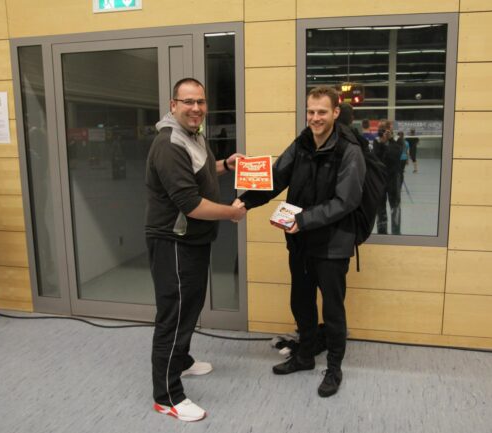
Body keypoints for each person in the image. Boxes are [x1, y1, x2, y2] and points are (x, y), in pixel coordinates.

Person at [235, 86, 365, 398]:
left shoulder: (349, 151)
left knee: (332, 309)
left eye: (322, 112)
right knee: (301, 301)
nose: (315, 118)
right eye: (311, 111)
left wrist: (303, 220)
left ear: (335, 113)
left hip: (333, 244)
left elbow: (346, 201)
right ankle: (305, 355)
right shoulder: (302, 143)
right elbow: (277, 176)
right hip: (301, 241)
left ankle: (334, 368)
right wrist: (245, 202)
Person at [145, 77, 246, 422]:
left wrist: (226, 165)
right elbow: (190, 203)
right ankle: (167, 396)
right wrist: (231, 213)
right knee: (174, 314)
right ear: (173, 105)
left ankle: (181, 360)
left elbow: (197, 174)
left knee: (190, 305)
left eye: (200, 101)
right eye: (188, 102)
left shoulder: (192, 135)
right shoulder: (169, 143)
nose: (196, 108)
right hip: (174, 241)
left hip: (193, 240)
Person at [373, 120, 403, 235]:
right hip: (380, 177)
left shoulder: (397, 140)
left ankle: (396, 232)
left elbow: (396, 155)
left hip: (394, 177)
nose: (383, 132)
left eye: (386, 130)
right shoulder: (377, 141)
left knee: (395, 205)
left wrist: (390, 140)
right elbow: (375, 157)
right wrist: (382, 143)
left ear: (390, 130)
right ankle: (382, 232)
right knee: (380, 206)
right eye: (381, 130)